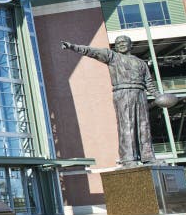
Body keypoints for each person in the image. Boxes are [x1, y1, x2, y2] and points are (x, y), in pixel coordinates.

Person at [61, 35, 161, 167]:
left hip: (140, 94)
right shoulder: (112, 57)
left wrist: (157, 95)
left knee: (144, 126)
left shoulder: (141, 63)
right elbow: (92, 51)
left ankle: (148, 156)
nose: (121, 44)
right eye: (118, 43)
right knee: (127, 125)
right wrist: (73, 47)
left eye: (124, 42)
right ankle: (128, 158)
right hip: (122, 93)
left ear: (131, 45)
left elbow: (149, 82)